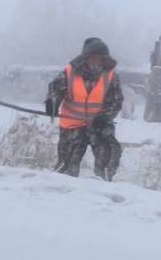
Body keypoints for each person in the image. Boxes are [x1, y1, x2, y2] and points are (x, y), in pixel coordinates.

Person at [45, 37, 123, 181]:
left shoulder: (111, 76)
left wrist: (105, 117)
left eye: (100, 58)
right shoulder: (70, 72)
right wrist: (52, 103)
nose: (96, 62)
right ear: (85, 58)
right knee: (65, 168)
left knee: (107, 165)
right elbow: (55, 90)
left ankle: (103, 191)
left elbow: (116, 101)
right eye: (93, 58)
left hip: (99, 125)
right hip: (72, 126)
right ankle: (62, 193)